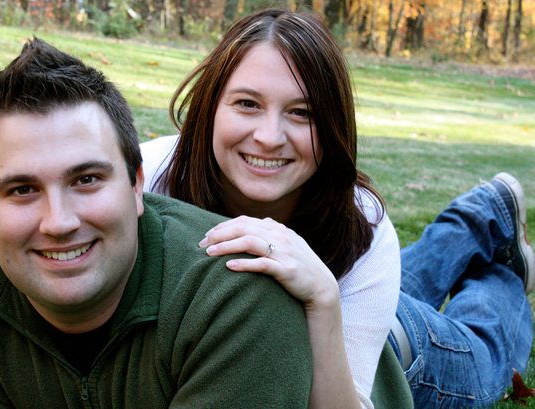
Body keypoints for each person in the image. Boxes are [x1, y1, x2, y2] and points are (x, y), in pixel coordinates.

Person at [141, 8, 534, 409]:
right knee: (390, 289)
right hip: (362, 304)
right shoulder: (146, 179)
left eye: (302, 113)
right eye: (247, 103)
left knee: (485, 356)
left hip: (387, 347)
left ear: (332, 125)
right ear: (210, 106)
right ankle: (475, 218)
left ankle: (502, 274)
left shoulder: (362, 225)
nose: (269, 137)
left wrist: (325, 300)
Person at [0, 37, 314, 408]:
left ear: (137, 185)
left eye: (86, 179)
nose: (59, 222)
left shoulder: (238, 301)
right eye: (22, 190)